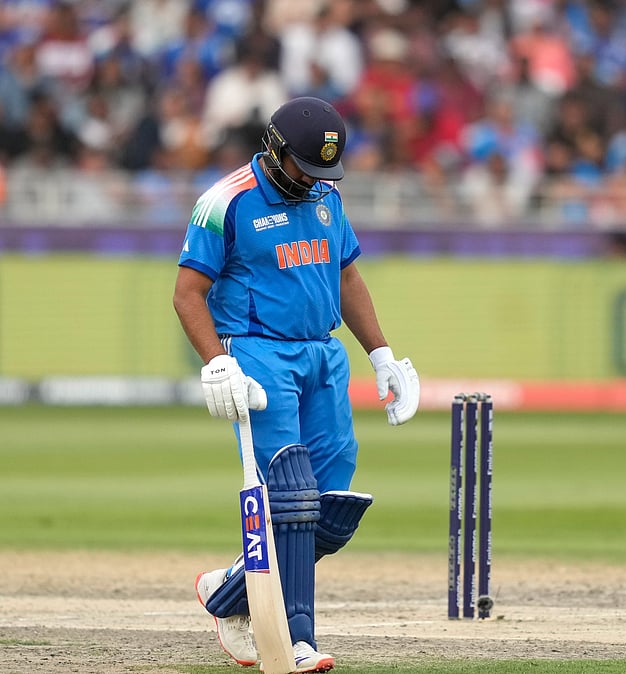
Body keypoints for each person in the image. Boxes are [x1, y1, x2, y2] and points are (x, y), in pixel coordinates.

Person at [172, 96, 420, 673]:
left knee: (332, 508)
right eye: (304, 168)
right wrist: (217, 362)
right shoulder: (224, 202)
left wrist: (381, 354)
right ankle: (295, 640)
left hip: (323, 356)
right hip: (258, 351)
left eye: (323, 171)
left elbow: (348, 276)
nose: (313, 180)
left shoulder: (325, 194)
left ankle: (229, 592)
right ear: (274, 149)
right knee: (291, 497)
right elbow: (187, 294)